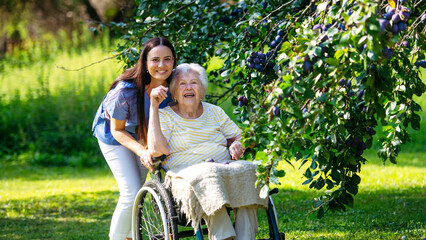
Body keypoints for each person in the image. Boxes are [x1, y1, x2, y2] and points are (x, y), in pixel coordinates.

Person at [147, 63, 267, 240]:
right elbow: (157, 150)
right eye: (182, 84)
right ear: (173, 92)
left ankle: (246, 237)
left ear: (202, 90)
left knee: (247, 169)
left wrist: (237, 144)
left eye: (194, 82)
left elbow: (240, 138)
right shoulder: (164, 116)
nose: (188, 87)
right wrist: (153, 107)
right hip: (186, 176)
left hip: (223, 169)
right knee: (208, 175)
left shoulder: (215, 112)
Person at [92, 37, 177, 240]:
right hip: (114, 136)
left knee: (138, 188)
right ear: (145, 63)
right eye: (155, 60)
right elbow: (117, 130)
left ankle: (130, 236)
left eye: (167, 59)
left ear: (174, 61)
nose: (162, 65)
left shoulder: (174, 83)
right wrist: (142, 151)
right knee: (130, 192)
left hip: (143, 131)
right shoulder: (125, 91)